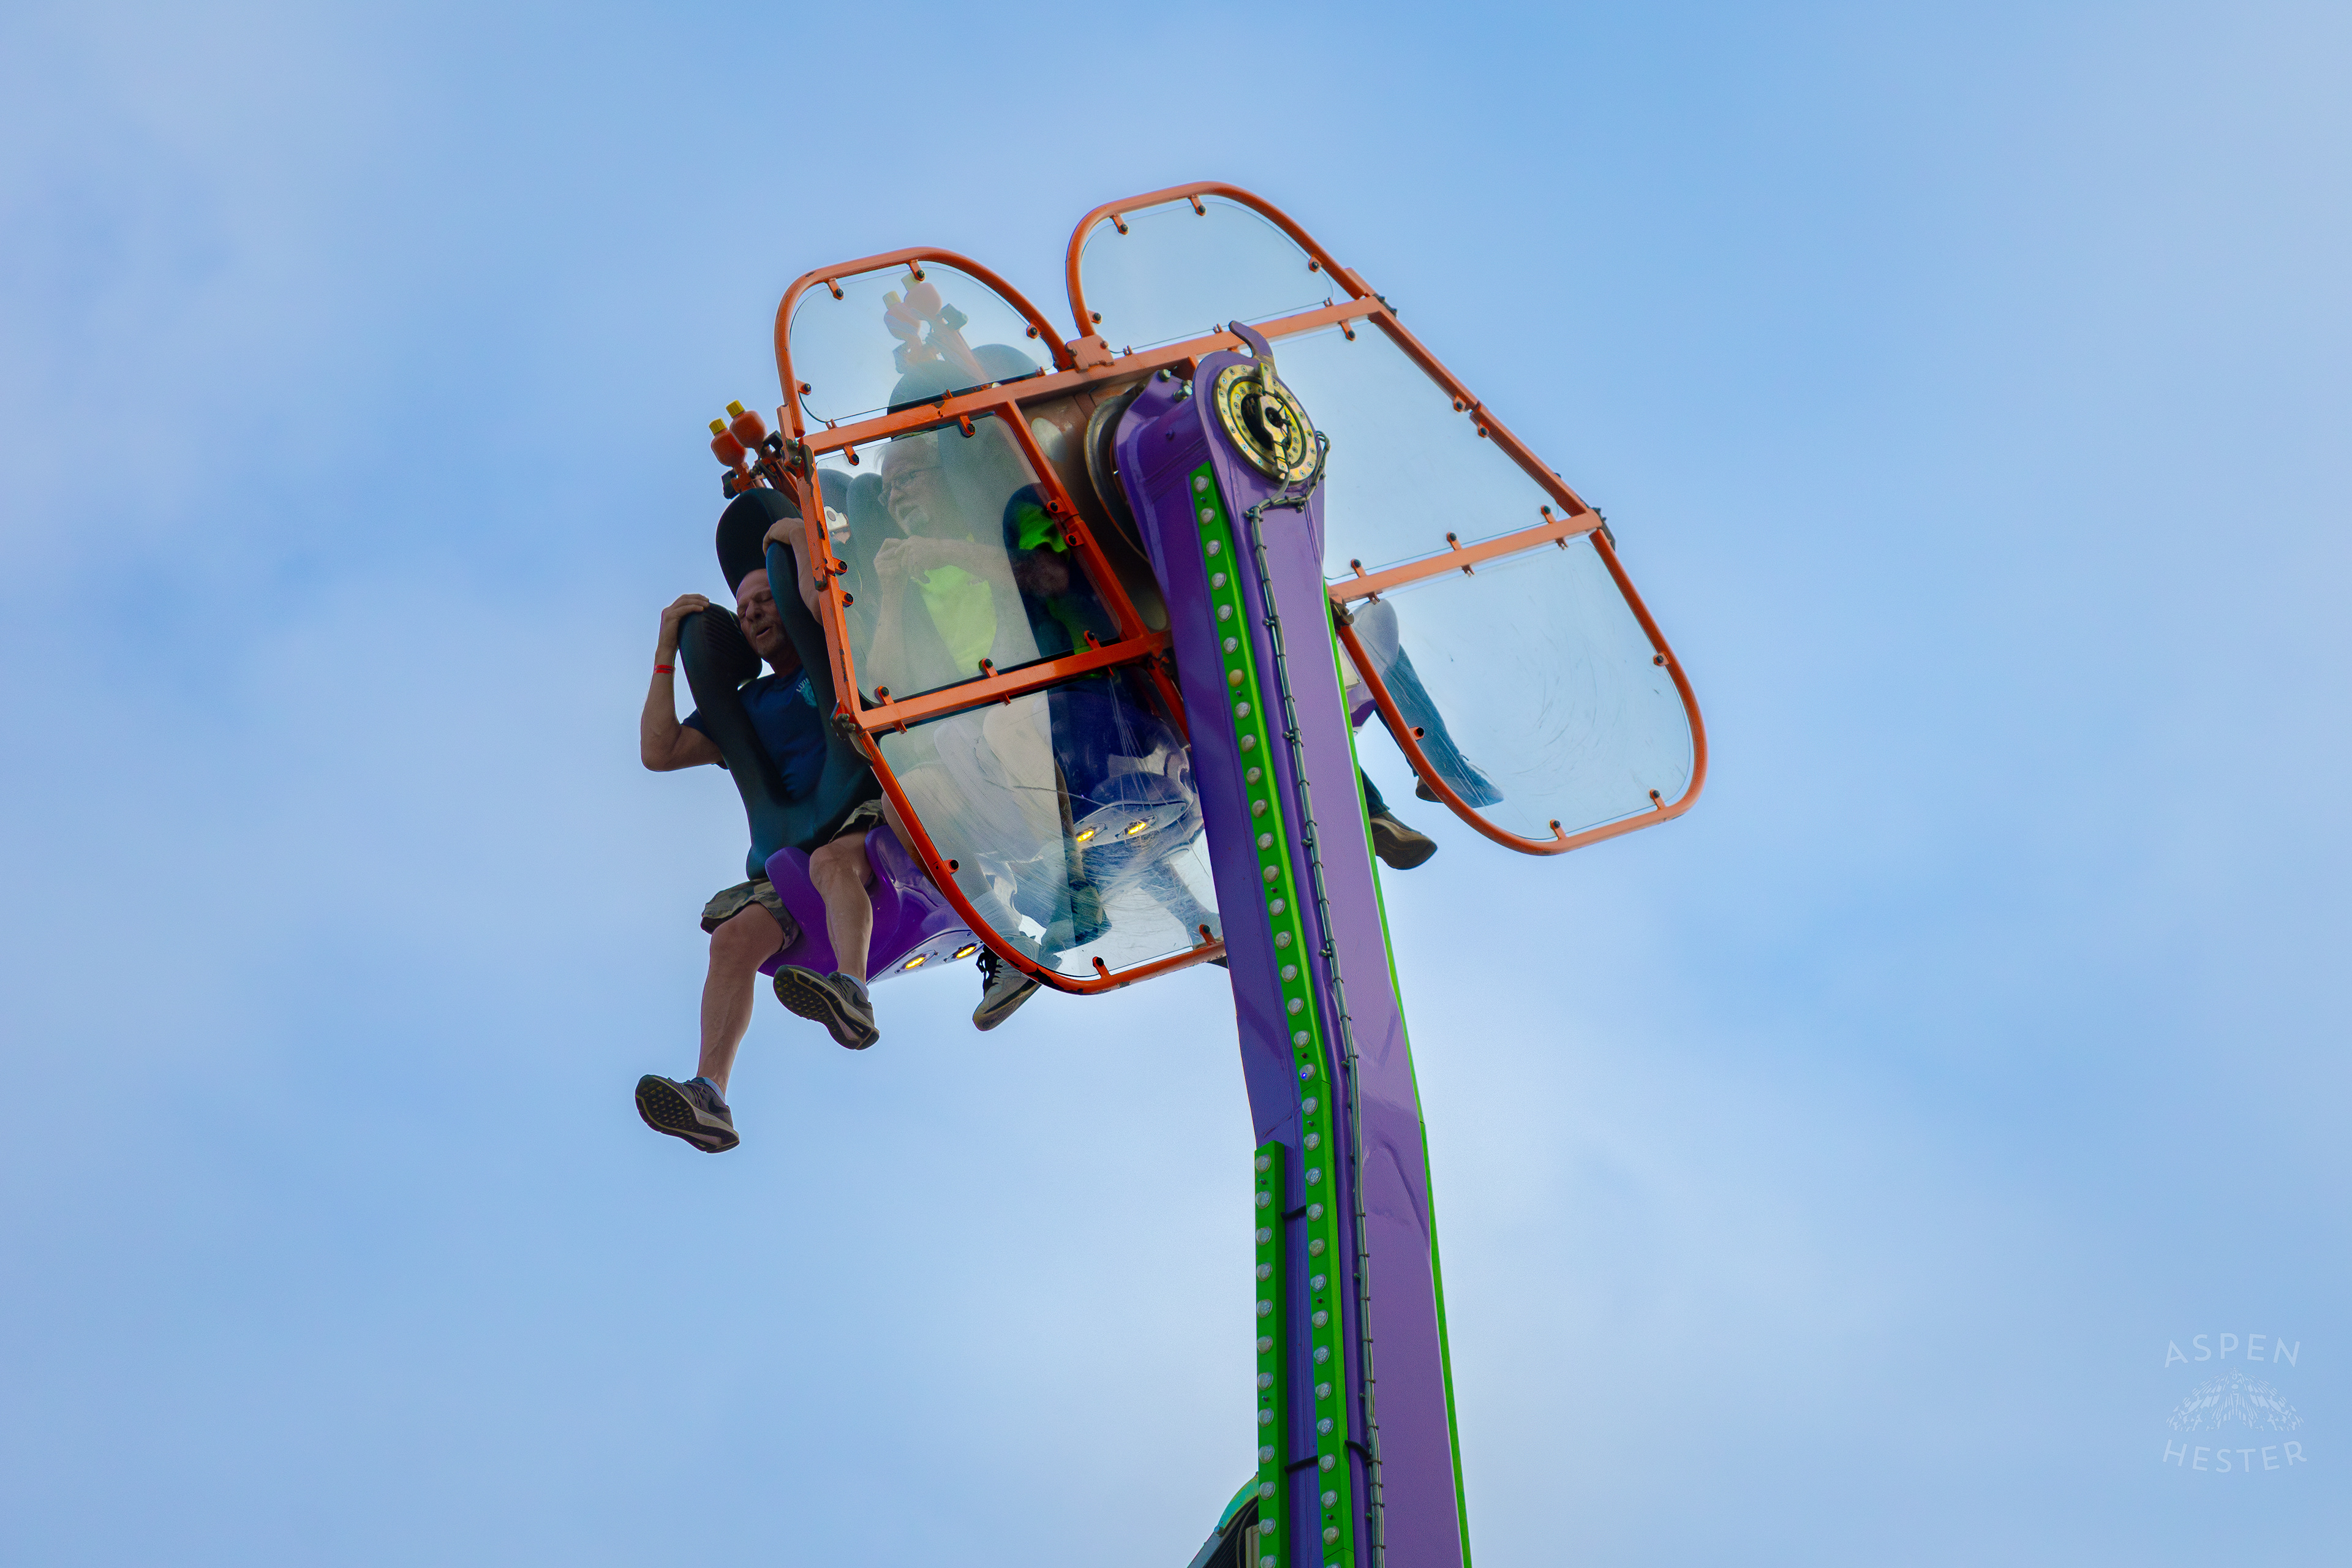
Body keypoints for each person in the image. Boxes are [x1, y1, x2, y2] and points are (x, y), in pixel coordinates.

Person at [632, 533, 894, 1154]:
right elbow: (658, 751)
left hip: (872, 820)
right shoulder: (750, 704)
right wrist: (668, 650)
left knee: (832, 861)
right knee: (731, 938)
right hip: (794, 856)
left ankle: (852, 992)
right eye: (742, 606)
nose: (751, 611)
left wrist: (791, 534)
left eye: (763, 598)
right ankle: (711, 1093)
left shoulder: (836, 654)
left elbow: (821, 592)